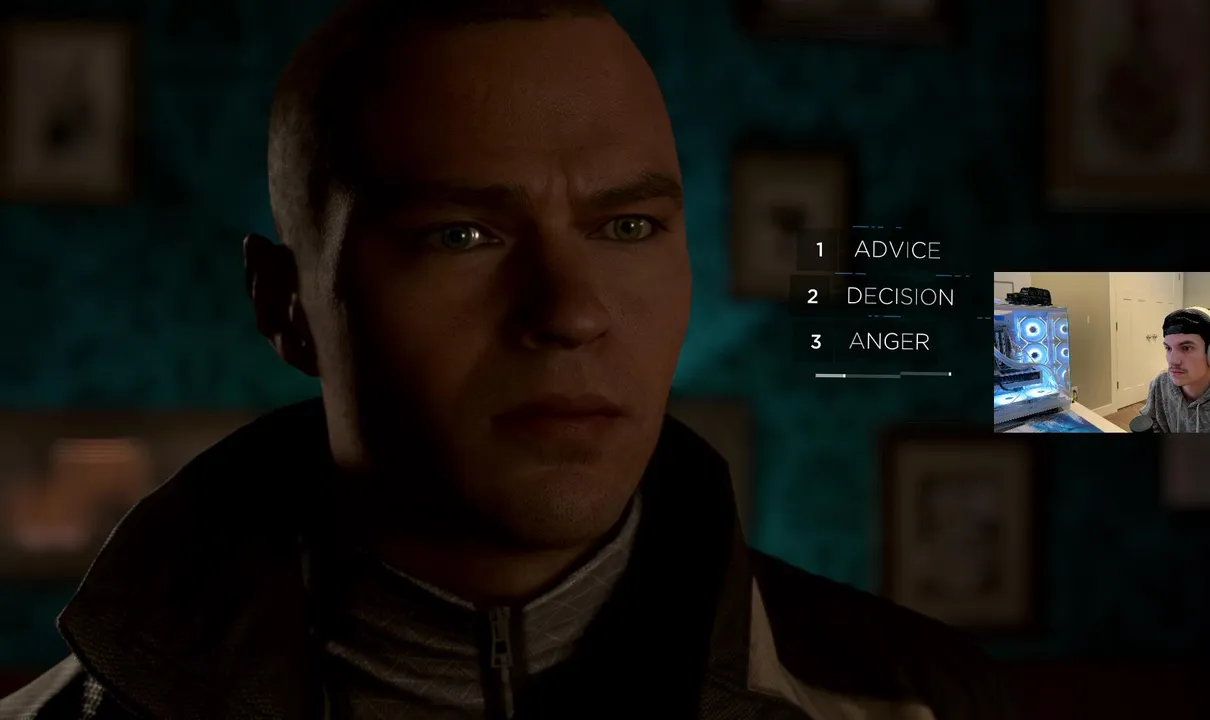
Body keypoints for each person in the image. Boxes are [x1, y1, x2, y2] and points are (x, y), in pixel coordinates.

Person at [1, 1, 1018, 718]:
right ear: (287, 303)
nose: (569, 313)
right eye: (461, 236)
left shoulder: (919, 701)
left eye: (626, 227)